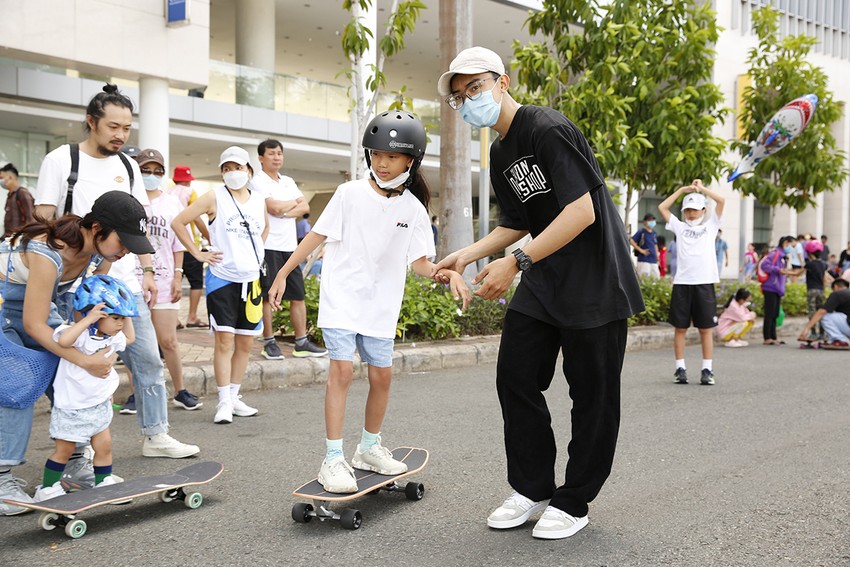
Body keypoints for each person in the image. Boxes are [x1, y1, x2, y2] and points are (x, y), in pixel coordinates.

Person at [435, 47, 644, 540]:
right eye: (459, 97)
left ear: (502, 82)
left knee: (592, 396)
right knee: (516, 377)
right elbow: (515, 221)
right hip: (545, 283)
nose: (468, 101)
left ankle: (573, 501)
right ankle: (531, 488)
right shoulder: (500, 150)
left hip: (594, 282)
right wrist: (468, 254)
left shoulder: (546, 128)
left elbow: (580, 213)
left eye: (475, 88)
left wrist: (516, 262)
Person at [268, 110, 470, 497]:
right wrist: (282, 273)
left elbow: (422, 265)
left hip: (380, 306)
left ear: (410, 160)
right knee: (341, 373)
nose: (381, 161)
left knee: (382, 376)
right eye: (376, 153)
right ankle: (331, 458)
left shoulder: (412, 208)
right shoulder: (349, 194)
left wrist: (450, 274)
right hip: (343, 298)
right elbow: (316, 237)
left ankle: (368, 448)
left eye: (391, 156)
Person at [34, 84, 200, 467]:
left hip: (123, 282)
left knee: (147, 358)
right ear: (91, 122)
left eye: (126, 128)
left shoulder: (127, 165)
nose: (120, 135)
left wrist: (145, 269)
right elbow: (42, 219)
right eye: (113, 126)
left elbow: (138, 222)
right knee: (75, 362)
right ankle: (79, 445)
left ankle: (156, 433)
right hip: (75, 284)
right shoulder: (62, 160)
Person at [0, 191, 149, 515]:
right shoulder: (46, 250)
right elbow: (33, 323)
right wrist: (84, 359)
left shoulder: (99, 254)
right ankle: (1, 478)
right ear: (96, 228)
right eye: (122, 241)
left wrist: (94, 349)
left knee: (71, 380)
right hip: (6, 311)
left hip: (44, 312)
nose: (125, 251)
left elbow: (88, 303)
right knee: (17, 384)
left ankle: (74, 464)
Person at [172, 146, 268, 424]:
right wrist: (197, 252)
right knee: (224, 342)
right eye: (226, 169)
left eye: (237, 167)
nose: (232, 173)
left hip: (251, 281)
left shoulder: (259, 199)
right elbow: (179, 222)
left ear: (248, 170)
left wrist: (255, 254)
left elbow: (264, 230)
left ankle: (235, 397)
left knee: (246, 343)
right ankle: (223, 401)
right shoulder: (214, 197)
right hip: (222, 278)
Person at [33, 275, 136, 502]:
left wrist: (126, 313)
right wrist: (87, 320)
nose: (120, 323)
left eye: (122, 318)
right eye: (116, 317)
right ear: (95, 315)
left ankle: (103, 483)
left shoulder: (112, 337)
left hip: (98, 403)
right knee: (65, 450)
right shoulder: (78, 335)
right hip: (72, 407)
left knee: (104, 446)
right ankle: (47, 488)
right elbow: (63, 342)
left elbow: (130, 337)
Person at [134, 149, 201, 410]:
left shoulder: (172, 202)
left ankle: (180, 390)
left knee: (168, 341)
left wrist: (177, 276)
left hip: (163, 280)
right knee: (137, 344)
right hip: (134, 281)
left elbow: (177, 244)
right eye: (146, 170)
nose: (152, 175)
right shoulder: (130, 199)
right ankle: (136, 394)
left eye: (157, 171)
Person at [252, 139, 326, 360]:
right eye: (272, 154)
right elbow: (272, 208)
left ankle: (301, 342)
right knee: (267, 296)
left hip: (290, 248)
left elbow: (305, 207)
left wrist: (283, 211)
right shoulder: (257, 181)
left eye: (280, 154)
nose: (277, 157)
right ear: (260, 158)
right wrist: (288, 206)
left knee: (297, 295)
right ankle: (268, 342)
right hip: (268, 246)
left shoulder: (288, 181)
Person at [658, 180, 725, 385]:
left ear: (703, 210)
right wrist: (682, 190)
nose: (691, 214)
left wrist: (701, 189)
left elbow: (721, 200)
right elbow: (663, 207)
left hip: (704, 284)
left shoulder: (711, 226)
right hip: (682, 284)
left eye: (695, 210)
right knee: (680, 328)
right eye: (688, 210)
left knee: (706, 329)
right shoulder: (678, 226)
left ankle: (707, 370)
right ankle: (680, 368)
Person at [167, 164, 210, 328]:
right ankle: (192, 317)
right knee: (196, 282)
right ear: (189, 181)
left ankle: (174, 319)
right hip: (189, 244)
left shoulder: (167, 193)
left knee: (173, 280)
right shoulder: (190, 193)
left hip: (172, 245)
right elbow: (197, 219)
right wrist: (209, 237)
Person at [759, 236, 803, 345]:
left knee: (775, 313)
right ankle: (767, 337)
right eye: (791, 245)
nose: (792, 248)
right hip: (771, 286)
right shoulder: (775, 254)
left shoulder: (783, 256)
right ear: (785, 243)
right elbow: (765, 265)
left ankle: (773, 336)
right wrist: (779, 270)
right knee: (769, 313)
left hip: (777, 287)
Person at [798, 278, 850, 349]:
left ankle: (839, 341)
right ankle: (836, 339)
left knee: (825, 316)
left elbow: (821, 312)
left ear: (836, 286)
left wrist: (806, 329)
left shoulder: (837, 294)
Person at [0, 164, 36, 238]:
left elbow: (31, 219)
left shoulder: (22, 193)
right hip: (9, 239)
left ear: (10, 177)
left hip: (18, 240)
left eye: (1, 178)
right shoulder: (10, 195)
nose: (1, 181)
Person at [630, 213, 660, 278]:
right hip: (644, 259)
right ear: (645, 221)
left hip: (653, 260)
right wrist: (641, 250)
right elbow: (631, 241)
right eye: (649, 220)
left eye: (653, 220)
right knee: (644, 279)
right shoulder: (641, 232)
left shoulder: (654, 233)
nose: (652, 222)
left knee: (656, 278)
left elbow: (655, 244)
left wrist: (657, 256)